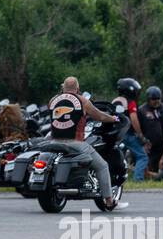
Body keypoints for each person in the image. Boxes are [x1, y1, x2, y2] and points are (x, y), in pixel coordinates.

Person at [44, 77, 120, 208]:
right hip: (75, 143)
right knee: (102, 166)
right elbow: (99, 116)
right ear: (78, 88)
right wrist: (113, 118)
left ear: (63, 88)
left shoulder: (52, 100)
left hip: (54, 141)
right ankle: (109, 201)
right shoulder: (83, 100)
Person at [138, 86, 163, 178]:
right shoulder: (142, 110)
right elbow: (137, 128)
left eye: (158, 99)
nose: (156, 101)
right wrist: (143, 141)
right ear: (148, 99)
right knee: (151, 167)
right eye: (153, 99)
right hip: (151, 146)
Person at [115, 78, 148, 181]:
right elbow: (134, 119)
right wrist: (140, 135)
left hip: (117, 134)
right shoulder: (130, 102)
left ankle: (116, 179)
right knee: (142, 156)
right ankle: (138, 179)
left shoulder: (115, 101)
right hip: (128, 134)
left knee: (119, 158)